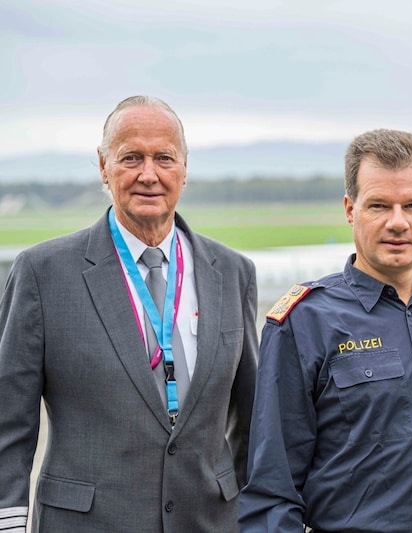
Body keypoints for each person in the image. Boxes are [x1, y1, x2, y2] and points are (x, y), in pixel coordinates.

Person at [0, 96, 258, 532]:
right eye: (131, 158)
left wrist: (256, 515)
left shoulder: (232, 272)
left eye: (164, 158)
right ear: (103, 166)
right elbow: (9, 423)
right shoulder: (42, 274)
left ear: (184, 167)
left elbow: (251, 420)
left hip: (210, 522)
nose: (149, 174)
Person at [238, 128, 412, 533]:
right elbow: (273, 490)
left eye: (411, 205)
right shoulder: (305, 323)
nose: (398, 222)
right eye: (379, 205)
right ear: (349, 209)